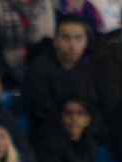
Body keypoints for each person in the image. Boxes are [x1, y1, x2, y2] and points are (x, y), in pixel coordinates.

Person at [22, 14, 101, 143]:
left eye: (78, 38)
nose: (72, 45)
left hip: (81, 134)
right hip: (48, 136)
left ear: (86, 42)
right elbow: (41, 113)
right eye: (66, 38)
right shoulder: (39, 69)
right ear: (55, 41)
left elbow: (92, 106)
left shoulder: (87, 68)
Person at [36, 98, 106, 162]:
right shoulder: (49, 144)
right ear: (60, 118)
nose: (74, 118)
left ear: (88, 119)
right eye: (69, 113)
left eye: (79, 113)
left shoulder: (90, 143)